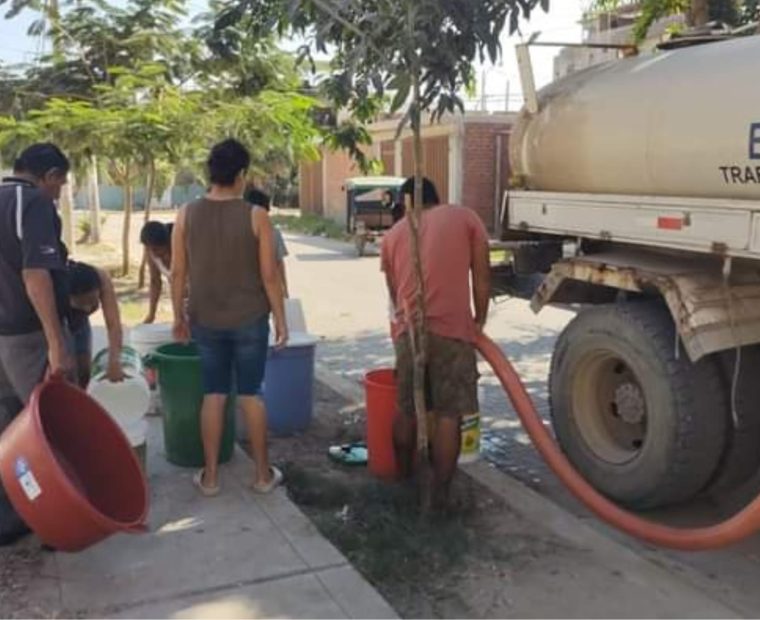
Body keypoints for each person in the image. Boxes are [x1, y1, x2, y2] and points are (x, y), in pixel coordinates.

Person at [171, 139, 288, 496]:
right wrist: (282, 320)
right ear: (241, 174)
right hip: (251, 319)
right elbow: (270, 276)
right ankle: (263, 476)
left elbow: (178, 272)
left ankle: (209, 478)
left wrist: (178, 316)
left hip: (205, 318)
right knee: (251, 395)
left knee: (214, 394)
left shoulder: (185, 214)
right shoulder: (257, 216)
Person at [381, 177, 491, 509]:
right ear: (436, 198)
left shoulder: (393, 235)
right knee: (448, 414)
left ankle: (403, 481)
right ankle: (441, 496)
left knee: (407, 408)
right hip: (452, 332)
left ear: (407, 201)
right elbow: (482, 276)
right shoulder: (464, 217)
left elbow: (393, 292)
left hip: (408, 333)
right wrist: (479, 320)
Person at [0, 143, 73, 545]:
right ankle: (58, 519)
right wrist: (55, 342)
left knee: (9, 430)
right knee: (51, 426)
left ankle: (12, 517)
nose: (59, 192)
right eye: (60, 183)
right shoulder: (33, 204)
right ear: (47, 175)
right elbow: (36, 276)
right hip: (28, 338)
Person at [67, 261, 125, 388]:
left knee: (84, 370)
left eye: (92, 302)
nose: (88, 309)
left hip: (79, 322)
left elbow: (114, 325)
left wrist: (114, 361)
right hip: (59, 322)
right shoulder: (54, 286)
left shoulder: (102, 278)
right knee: (67, 371)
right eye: (81, 304)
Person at [244, 187, 289, 298]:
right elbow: (278, 264)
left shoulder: (235, 231)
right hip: (267, 294)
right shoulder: (273, 233)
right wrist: (284, 290)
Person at [140, 221, 173, 324]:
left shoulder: (181, 247)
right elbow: (155, 282)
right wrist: (151, 314)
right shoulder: (151, 252)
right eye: (150, 249)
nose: (154, 253)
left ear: (168, 244)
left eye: (157, 249)